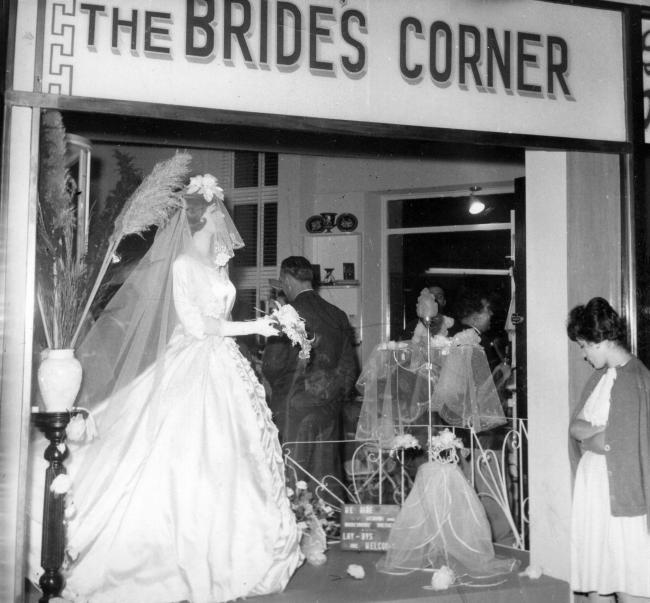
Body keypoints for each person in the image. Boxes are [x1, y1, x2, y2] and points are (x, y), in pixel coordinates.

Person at [28, 174, 303, 602]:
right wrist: (260, 325)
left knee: (232, 456)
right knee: (179, 454)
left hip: (224, 364)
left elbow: (217, 312)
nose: (222, 220)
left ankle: (234, 549)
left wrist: (263, 323)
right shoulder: (180, 265)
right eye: (215, 212)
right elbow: (196, 325)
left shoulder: (215, 265)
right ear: (200, 217)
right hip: (195, 360)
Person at [567, 297, 650, 603]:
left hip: (622, 498)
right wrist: (597, 432)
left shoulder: (635, 379)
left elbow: (613, 442)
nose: (584, 354)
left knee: (629, 579)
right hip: (595, 492)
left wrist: (595, 435)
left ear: (599, 341)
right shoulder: (599, 378)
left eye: (583, 345)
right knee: (597, 581)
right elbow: (574, 427)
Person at [262, 256, 358, 502]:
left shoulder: (287, 314)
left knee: (293, 468)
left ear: (286, 279)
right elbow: (349, 367)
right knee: (326, 470)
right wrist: (335, 396)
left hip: (293, 404)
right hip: (329, 405)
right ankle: (329, 528)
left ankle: (297, 531)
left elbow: (272, 366)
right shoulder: (337, 314)